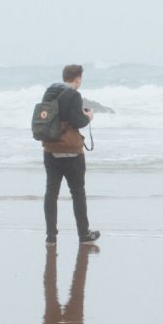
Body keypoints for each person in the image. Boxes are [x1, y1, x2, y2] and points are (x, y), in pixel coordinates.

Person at [40, 64, 100, 245]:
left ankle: (51, 236)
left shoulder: (50, 91)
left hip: (51, 150)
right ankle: (84, 234)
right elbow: (77, 121)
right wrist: (88, 117)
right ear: (78, 78)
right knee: (78, 193)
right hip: (71, 153)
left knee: (51, 193)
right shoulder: (74, 95)